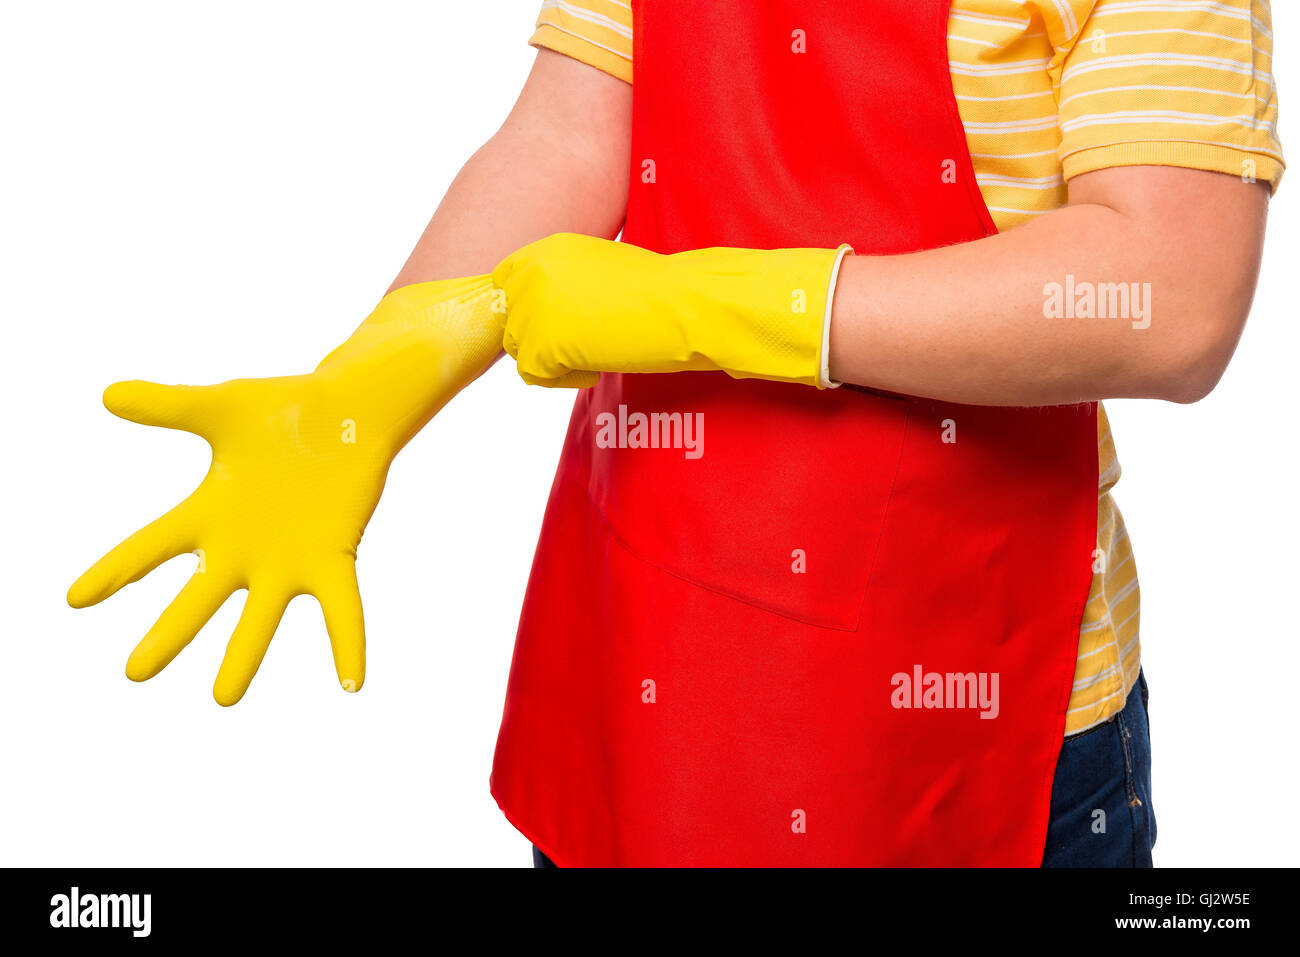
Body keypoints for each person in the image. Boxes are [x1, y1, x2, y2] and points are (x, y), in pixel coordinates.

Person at [68, 0, 1281, 867]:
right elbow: (574, 129)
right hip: (648, 649)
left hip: (968, 712)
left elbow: (1166, 294)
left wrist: (700, 306)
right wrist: (373, 377)